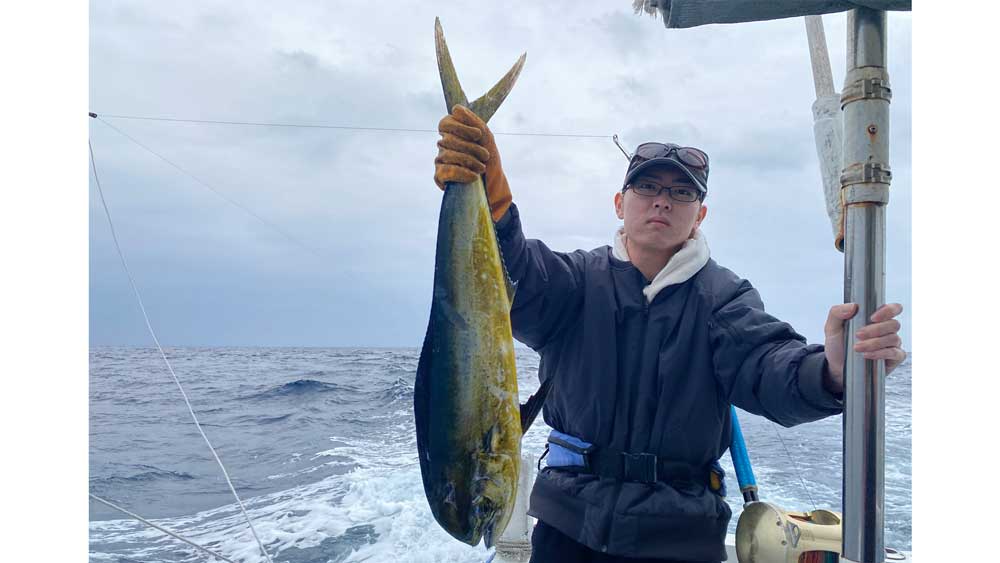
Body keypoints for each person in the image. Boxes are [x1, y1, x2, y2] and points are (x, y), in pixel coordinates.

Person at [432, 105, 906, 563]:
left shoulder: (724, 299)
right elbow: (507, 269)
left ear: (700, 215)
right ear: (621, 204)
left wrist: (832, 370)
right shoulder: (574, 283)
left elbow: (768, 366)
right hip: (567, 527)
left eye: (682, 193)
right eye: (648, 186)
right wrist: (488, 198)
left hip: (677, 539)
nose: (662, 200)